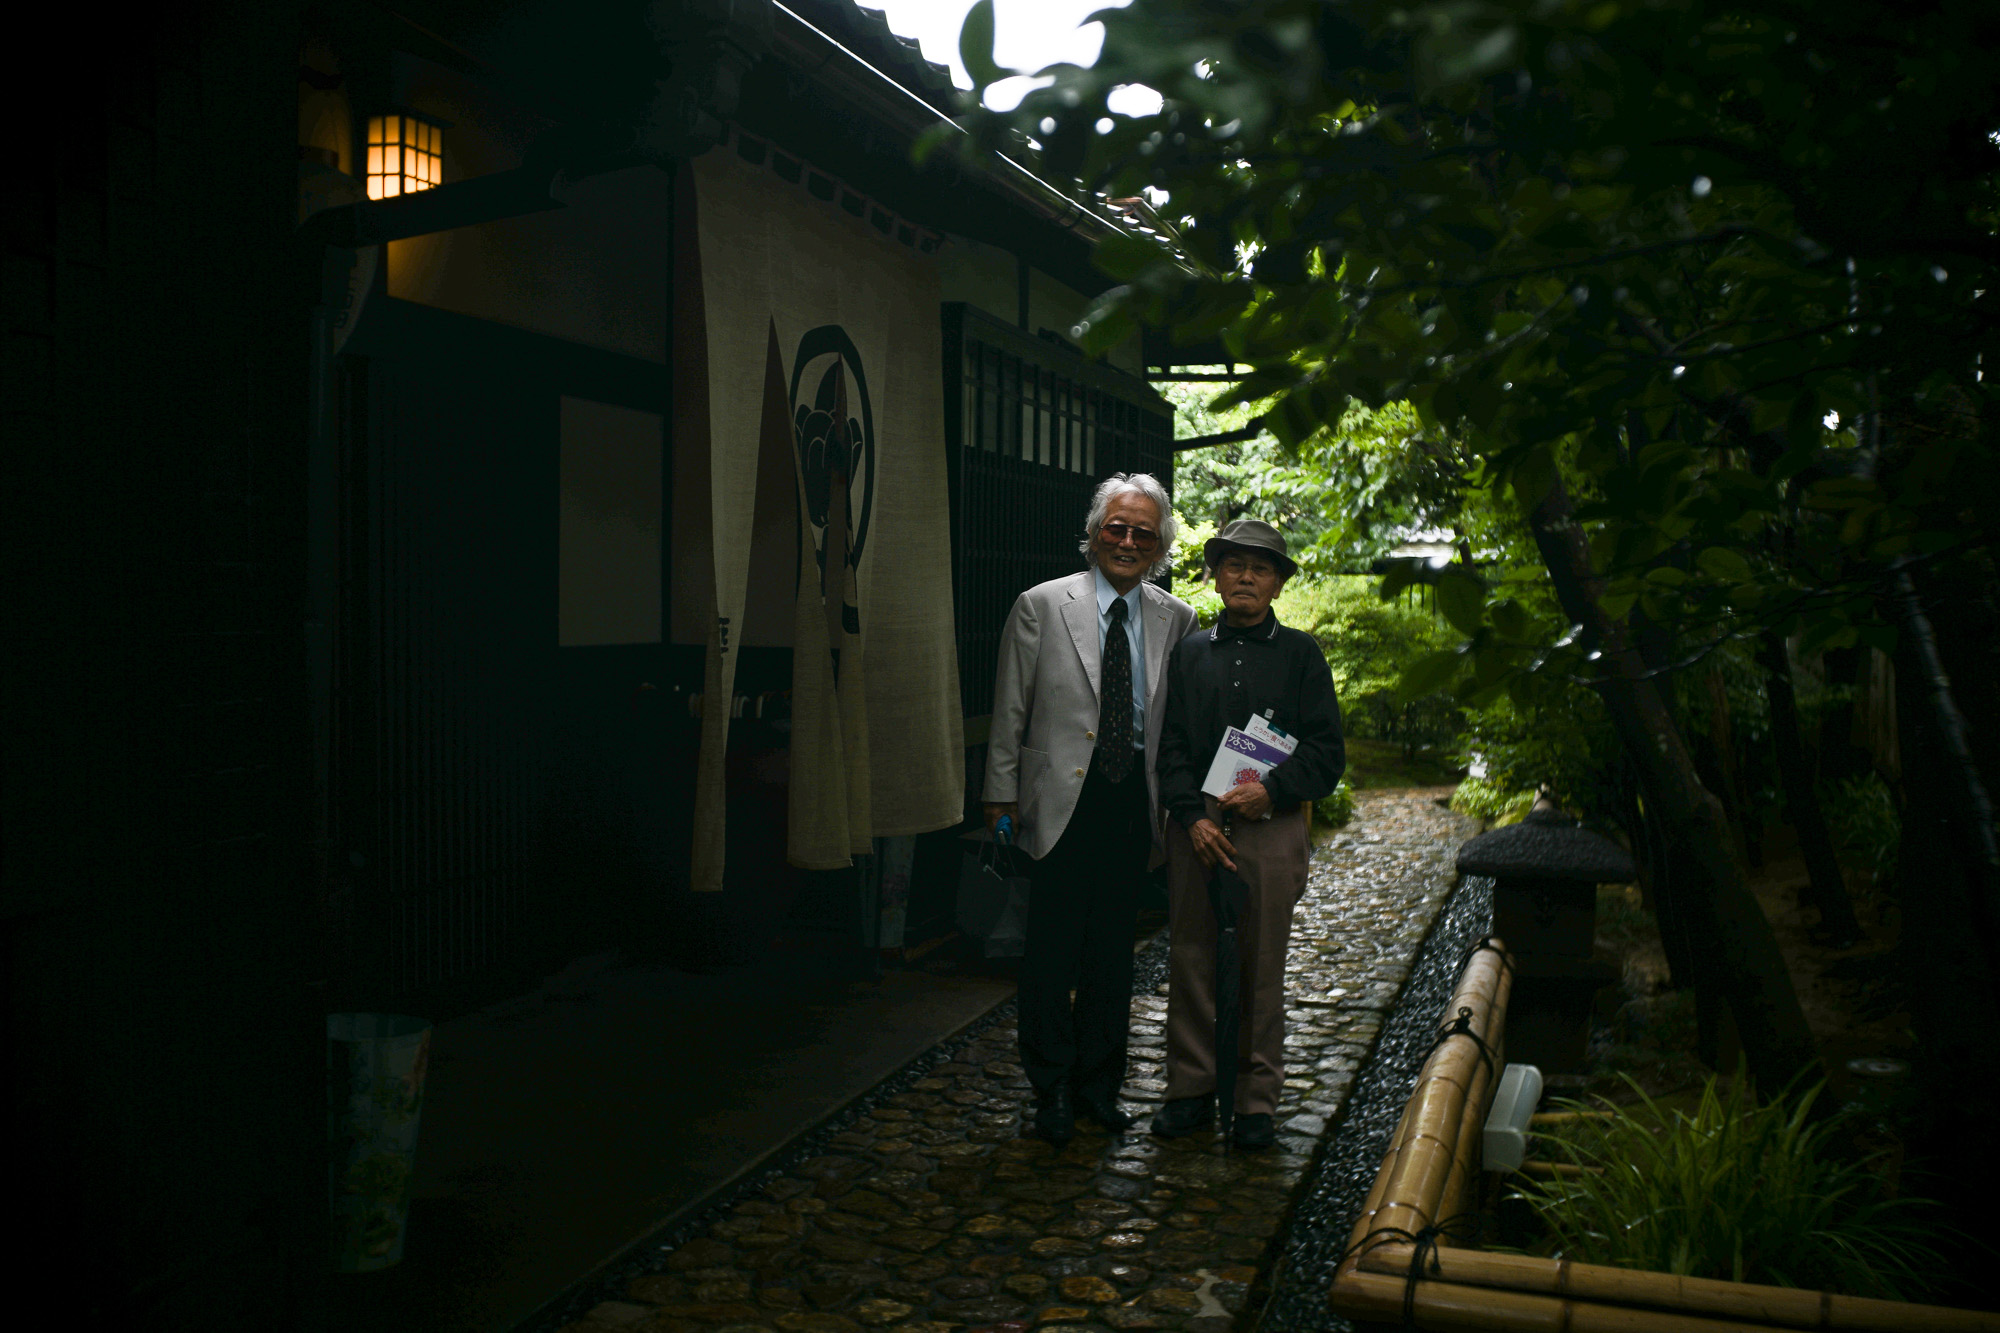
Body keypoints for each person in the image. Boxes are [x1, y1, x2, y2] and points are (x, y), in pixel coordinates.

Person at [983, 473, 1199, 1147]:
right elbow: (1010, 707)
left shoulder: (1177, 617)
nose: (1127, 540)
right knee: (1050, 950)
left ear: (1160, 543)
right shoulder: (1042, 605)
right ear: (1095, 532)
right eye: (1116, 527)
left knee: (1112, 953)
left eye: (1143, 531)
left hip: (1131, 800)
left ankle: (1099, 1087)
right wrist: (999, 792)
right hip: (1059, 798)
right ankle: (1049, 1086)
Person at [1151, 518, 1346, 1150]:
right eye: (1233, 564)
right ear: (1215, 575)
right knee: (1192, 956)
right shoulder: (1189, 653)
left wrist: (1275, 790)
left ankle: (1256, 1101)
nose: (1245, 577)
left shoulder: (1302, 656)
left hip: (1272, 821)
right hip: (1197, 824)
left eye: (1260, 568)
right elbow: (1171, 746)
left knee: (1262, 963)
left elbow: (1327, 753)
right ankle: (1189, 1089)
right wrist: (1193, 816)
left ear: (1278, 584)